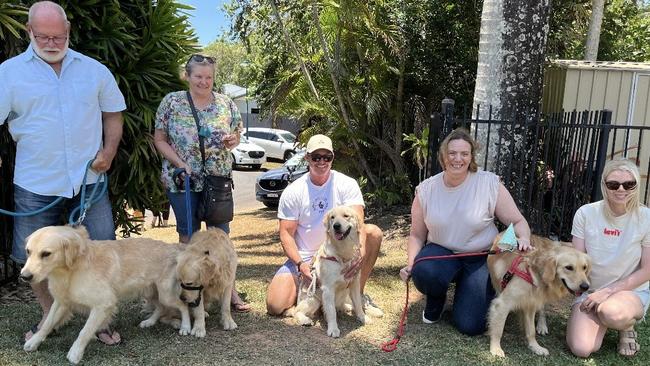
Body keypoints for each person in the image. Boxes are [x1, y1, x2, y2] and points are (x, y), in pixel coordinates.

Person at [0, 1, 125, 345]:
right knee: (34, 258)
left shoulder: (94, 70)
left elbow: (113, 113)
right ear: (29, 32)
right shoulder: (8, 73)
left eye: (59, 36)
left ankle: (100, 320)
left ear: (68, 31)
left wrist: (109, 151)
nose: (52, 42)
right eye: (44, 36)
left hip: (90, 182)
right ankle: (49, 316)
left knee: (101, 251)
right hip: (35, 184)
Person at [399, 128, 531, 336]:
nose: (457, 159)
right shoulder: (426, 189)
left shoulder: (489, 183)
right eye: (452, 153)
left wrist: (522, 237)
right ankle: (436, 298)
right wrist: (410, 263)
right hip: (440, 254)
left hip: (479, 257)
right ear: (443, 156)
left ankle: (468, 291)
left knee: (471, 326)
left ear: (471, 157)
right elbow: (417, 234)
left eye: (464, 154)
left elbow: (516, 221)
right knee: (424, 271)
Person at [153, 53, 250, 312]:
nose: (204, 82)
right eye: (198, 76)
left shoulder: (225, 104)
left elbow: (237, 134)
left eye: (208, 77)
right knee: (189, 237)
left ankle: (229, 291)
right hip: (183, 181)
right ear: (187, 75)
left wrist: (233, 141)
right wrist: (179, 163)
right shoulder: (171, 102)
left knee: (221, 237)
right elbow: (160, 139)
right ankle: (192, 292)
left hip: (216, 181)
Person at [266, 134, 384, 316]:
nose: (322, 162)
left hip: (339, 254)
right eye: (316, 157)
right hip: (306, 258)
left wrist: (358, 253)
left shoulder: (346, 184)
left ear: (332, 158)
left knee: (373, 233)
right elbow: (286, 235)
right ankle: (316, 295)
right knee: (275, 306)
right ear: (307, 158)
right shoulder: (294, 191)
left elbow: (358, 222)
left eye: (326, 157)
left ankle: (357, 295)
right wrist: (300, 265)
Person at [566, 158, 650, 358]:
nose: (621, 190)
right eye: (613, 184)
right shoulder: (585, 214)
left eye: (629, 184)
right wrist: (583, 291)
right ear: (604, 185)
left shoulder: (646, 217)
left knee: (611, 312)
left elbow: (647, 270)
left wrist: (608, 293)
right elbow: (578, 262)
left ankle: (625, 326)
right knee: (582, 348)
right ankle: (600, 315)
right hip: (592, 292)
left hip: (629, 291)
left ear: (636, 185)